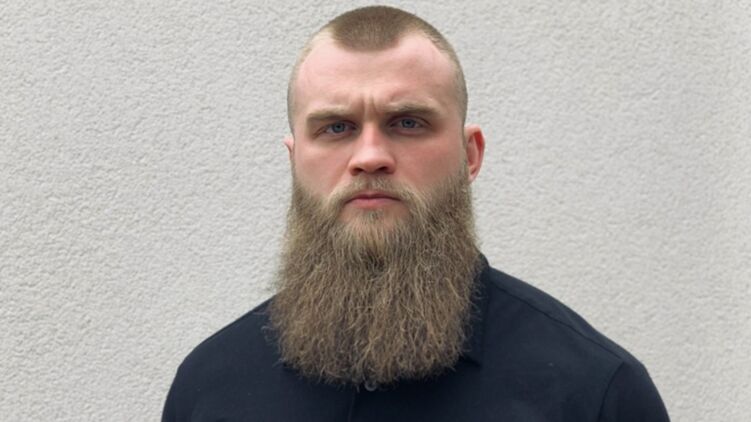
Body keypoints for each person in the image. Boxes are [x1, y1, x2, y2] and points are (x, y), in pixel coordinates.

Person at [162, 6, 669, 421]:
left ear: (470, 155)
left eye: (407, 122)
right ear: (295, 161)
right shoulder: (208, 388)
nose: (369, 156)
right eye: (336, 128)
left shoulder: (595, 394)